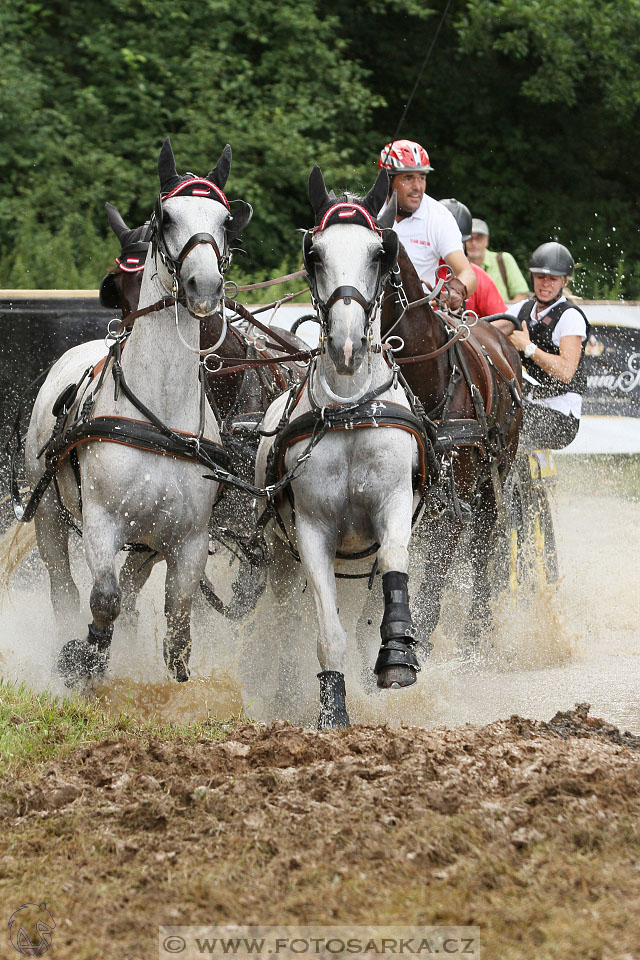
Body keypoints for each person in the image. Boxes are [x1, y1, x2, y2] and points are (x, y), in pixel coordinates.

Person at [498, 242, 589, 450]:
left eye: (553, 279)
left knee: (505, 428)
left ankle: (522, 472)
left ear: (564, 281)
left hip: (561, 417)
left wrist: (528, 347)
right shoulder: (523, 308)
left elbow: (565, 372)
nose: (545, 284)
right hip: (528, 405)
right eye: (540, 277)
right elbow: (490, 330)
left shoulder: (570, 316)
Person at [378, 139, 476, 310]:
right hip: (372, 312)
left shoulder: (439, 217)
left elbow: (467, 273)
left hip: (418, 313)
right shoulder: (370, 211)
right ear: (387, 180)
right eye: (408, 178)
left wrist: (455, 291)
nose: (417, 186)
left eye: (422, 177)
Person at [439, 198, 506, 318]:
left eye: (456, 243)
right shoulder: (414, 268)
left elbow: (505, 321)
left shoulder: (479, 276)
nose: (450, 248)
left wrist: (469, 327)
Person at [466, 218, 529, 303]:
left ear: (486, 240)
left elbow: (522, 296)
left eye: (479, 238)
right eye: (469, 238)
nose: (473, 243)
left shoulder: (503, 259)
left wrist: (502, 309)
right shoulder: (455, 265)